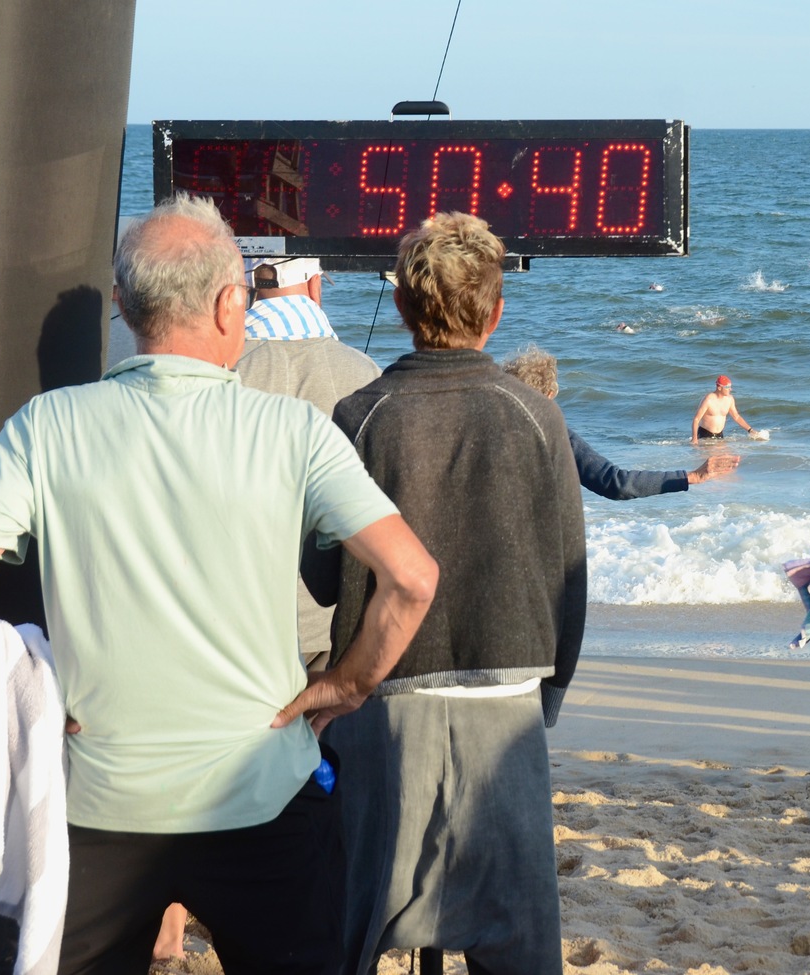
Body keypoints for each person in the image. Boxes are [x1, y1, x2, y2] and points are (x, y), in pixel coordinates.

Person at [0, 193, 438, 975]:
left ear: (124, 306)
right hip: (260, 789)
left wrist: (17, 687)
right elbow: (411, 575)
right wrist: (344, 686)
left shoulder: (45, 425)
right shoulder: (293, 430)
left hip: (99, 802)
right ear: (235, 304)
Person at [308, 212, 586, 975]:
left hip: (385, 696)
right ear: (497, 312)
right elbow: (570, 571)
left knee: (360, 918)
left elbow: (321, 573)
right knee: (518, 938)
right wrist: (550, 692)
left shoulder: (362, 416)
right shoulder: (539, 417)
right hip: (507, 699)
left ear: (401, 307)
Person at [236, 256, 382, 670]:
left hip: (240, 624)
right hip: (331, 619)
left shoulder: (220, 372)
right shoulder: (365, 374)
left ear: (247, 287)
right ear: (315, 286)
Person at [504, 345, 740, 500]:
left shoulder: (482, 425)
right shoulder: (552, 434)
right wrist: (692, 477)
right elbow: (617, 483)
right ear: (546, 396)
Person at [691, 374, 757, 442]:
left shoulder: (729, 399)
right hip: (705, 435)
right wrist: (694, 438)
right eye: (727, 387)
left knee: (729, 453)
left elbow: (736, 417)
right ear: (719, 388)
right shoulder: (708, 399)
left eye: (730, 387)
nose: (730, 389)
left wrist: (750, 430)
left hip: (720, 435)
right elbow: (696, 419)